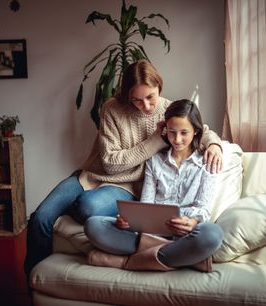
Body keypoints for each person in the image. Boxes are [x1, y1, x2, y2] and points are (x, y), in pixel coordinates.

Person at [24, 60, 224, 279]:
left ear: (159, 88)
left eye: (151, 97)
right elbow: (109, 163)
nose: (146, 106)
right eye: (137, 100)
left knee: (87, 207)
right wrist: (154, 142)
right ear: (127, 95)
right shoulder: (111, 108)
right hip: (90, 176)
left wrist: (215, 145)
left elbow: (199, 129)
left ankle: (140, 258)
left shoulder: (168, 110)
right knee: (40, 218)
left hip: (126, 185)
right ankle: (36, 280)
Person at [84, 99, 224, 272]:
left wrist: (193, 222)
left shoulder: (207, 162)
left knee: (212, 235)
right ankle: (177, 258)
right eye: (172, 132)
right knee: (93, 225)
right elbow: (146, 204)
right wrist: (130, 221)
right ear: (165, 130)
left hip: (184, 235)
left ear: (196, 131)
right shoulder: (155, 160)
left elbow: (203, 208)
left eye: (184, 133)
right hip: (150, 234)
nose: (177, 139)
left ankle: (129, 261)